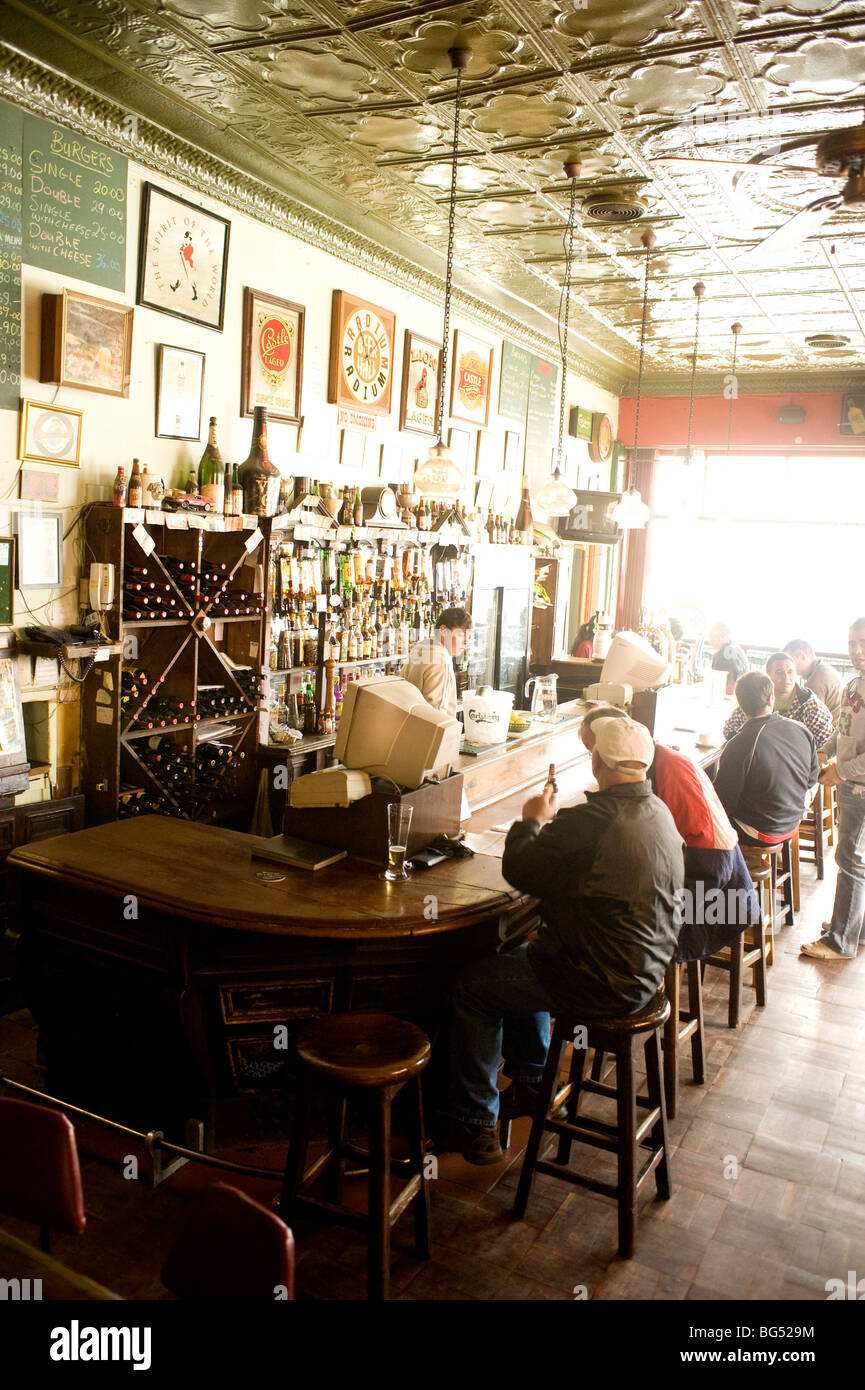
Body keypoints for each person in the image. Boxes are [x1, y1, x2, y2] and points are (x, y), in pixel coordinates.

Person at [441, 716, 683, 1164]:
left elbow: (521, 869)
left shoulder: (593, 819)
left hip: (600, 981)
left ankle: (473, 1122)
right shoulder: (659, 811)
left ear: (597, 761)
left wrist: (531, 821)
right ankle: (533, 1080)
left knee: (474, 988)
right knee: (522, 955)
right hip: (646, 973)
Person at [580, 707, 759, 960]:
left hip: (715, 890)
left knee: (606, 916)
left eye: (594, 749)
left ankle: (636, 978)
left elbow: (702, 850)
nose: (594, 760)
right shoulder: (653, 759)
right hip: (706, 870)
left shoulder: (670, 768)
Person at [800, 617, 865, 960]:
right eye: (853, 643)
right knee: (856, 858)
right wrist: (825, 750)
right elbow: (844, 730)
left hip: (859, 787)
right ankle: (855, 926)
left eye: (863, 643)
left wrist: (839, 771)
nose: (857, 651)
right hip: (851, 784)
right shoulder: (855, 685)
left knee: (850, 858)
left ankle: (840, 941)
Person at [714, 671, 819, 846]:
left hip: (760, 831)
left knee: (709, 816)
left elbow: (722, 801)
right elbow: (812, 779)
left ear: (740, 704)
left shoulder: (740, 742)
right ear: (771, 699)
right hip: (793, 822)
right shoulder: (801, 729)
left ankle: (726, 872)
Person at [723, 652, 833, 749]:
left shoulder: (809, 704)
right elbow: (730, 729)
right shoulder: (759, 697)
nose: (786, 677)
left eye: (790, 672)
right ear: (768, 675)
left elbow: (826, 742)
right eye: (779, 672)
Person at [402, 606, 471, 719]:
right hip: (429, 733)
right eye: (460, 634)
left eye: (468, 636)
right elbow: (437, 714)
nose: (465, 641)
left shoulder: (421, 647)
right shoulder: (440, 660)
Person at [783, 639, 843, 723]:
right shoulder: (822, 669)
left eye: (790, 661)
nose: (787, 667)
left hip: (831, 731)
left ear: (802, 656)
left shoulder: (817, 679)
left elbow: (810, 717)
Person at [708, 622, 749, 692]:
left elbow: (721, 686)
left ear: (719, 638)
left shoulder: (723, 655)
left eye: (711, 638)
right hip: (743, 695)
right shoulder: (737, 649)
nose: (710, 642)